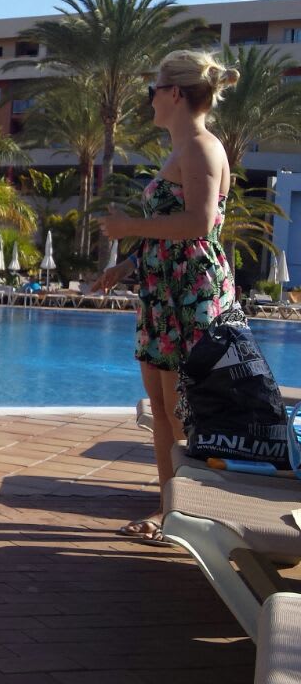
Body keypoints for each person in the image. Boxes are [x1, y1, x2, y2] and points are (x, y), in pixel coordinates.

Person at [92, 50, 240, 544]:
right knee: (160, 406)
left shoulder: (200, 147)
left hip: (189, 295)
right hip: (164, 291)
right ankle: (169, 506)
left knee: (180, 409)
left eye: (152, 89)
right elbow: (173, 233)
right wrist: (128, 265)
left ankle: (190, 510)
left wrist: (129, 226)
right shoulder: (182, 150)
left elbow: (199, 224)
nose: (149, 98)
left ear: (174, 92)